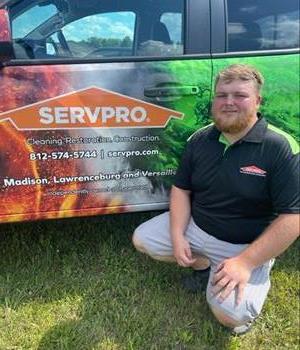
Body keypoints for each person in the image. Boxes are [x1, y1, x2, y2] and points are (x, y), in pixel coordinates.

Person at [132, 64, 299, 335]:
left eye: (239, 95)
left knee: (230, 316)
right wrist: (177, 235)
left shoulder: (280, 147)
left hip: (244, 246)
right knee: (143, 239)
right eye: (222, 95)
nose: (229, 102)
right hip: (198, 228)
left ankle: (258, 269)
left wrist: (245, 262)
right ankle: (205, 267)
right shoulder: (200, 138)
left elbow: (293, 218)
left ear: (258, 101)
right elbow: (181, 189)